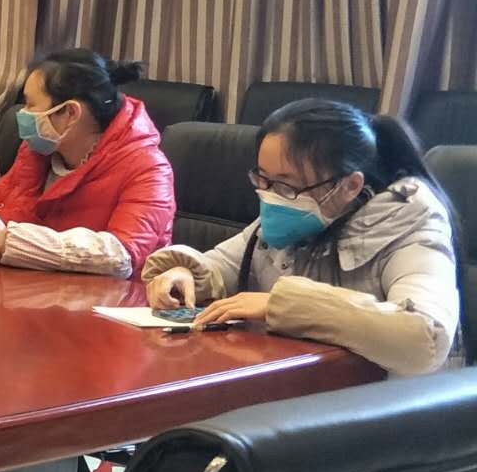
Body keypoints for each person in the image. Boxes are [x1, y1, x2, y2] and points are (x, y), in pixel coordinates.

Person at [144, 99, 462, 375]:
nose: (270, 196)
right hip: (294, 385)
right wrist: (185, 275)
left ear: (350, 186)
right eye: (263, 180)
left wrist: (283, 305)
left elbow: (426, 337)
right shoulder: (301, 209)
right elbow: (224, 264)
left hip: (381, 407)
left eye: (285, 185)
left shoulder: (411, 223)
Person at [0, 50, 174, 277]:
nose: (22, 113)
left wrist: (12, 242)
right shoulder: (36, 153)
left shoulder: (149, 168)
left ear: (70, 112)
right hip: (32, 293)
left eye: (30, 105)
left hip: (114, 301)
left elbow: (121, 256)